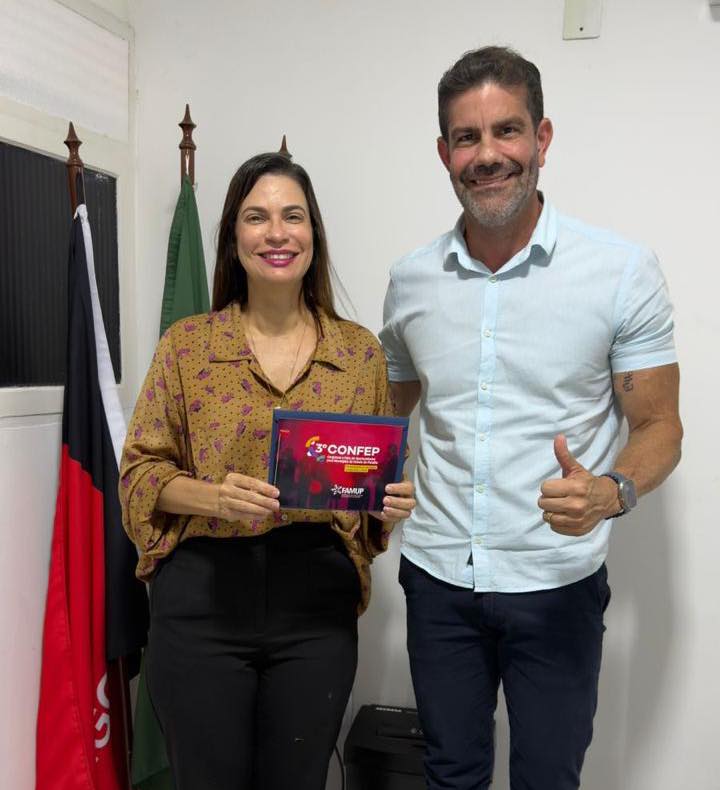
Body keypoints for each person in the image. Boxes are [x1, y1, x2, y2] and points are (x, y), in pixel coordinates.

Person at [380, 46, 682, 790]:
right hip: (438, 578)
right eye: (467, 137)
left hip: (556, 582)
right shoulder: (411, 280)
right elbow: (385, 410)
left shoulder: (619, 271)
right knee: (450, 774)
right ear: (444, 153)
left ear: (542, 138)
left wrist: (611, 491)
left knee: (548, 777)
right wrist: (349, 481)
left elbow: (660, 426)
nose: (487, 154)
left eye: (506, 131)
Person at [120, 152, 416, 790]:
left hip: (315, 600)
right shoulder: (188, 346)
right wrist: (214, 498)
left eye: (293, 216)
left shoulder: (359, 353)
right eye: (256, 217)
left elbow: (369, 484)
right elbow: (139, 474)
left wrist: (386, 500)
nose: (276, 233)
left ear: (314, 234)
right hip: (201, 596)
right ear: (234, 236)